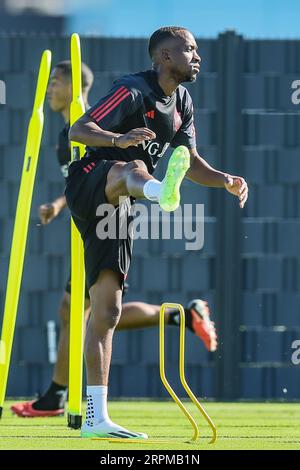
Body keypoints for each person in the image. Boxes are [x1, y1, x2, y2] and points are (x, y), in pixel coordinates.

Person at [65, 26, 248, 440]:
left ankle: (95, 418)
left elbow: (190, 159)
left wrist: (224, 180)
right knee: (134, 168)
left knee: (107, 312)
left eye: (197, 50)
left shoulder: (183, 100)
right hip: (92, 179)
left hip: (121, 205)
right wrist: (119, 137)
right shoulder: (131, 89)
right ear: (164, 57)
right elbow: (77, 130)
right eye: (189, 49)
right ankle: (159, 190)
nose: (197, 56)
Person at [11, 58, 217, 419]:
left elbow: (111, 163)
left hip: (114, 204)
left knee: (92, 311)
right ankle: (178, 317)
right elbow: (86, 176)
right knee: (86, 311)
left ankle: (60, 396)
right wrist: (59, 205)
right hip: (96, 203)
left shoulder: (111, 108)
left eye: (55, 83)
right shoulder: (67, 139)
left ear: (75, 85)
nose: (49, 91)